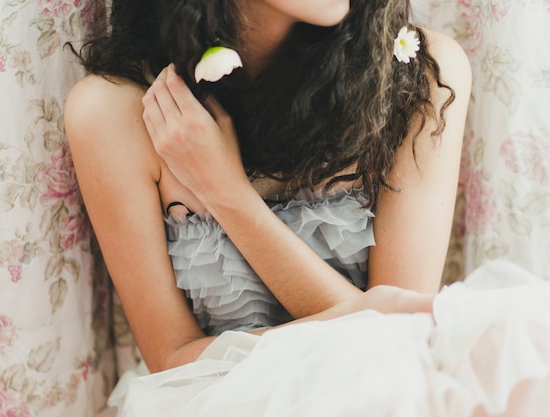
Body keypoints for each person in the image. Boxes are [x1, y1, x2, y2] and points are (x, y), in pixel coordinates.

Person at [64, 1, 550, 416]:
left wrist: (228, 195)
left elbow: (401, 332)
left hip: (387, 390)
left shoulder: (418, 76)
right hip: (220, 403)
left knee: (522, 333)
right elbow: (172, 359)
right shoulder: (114, 112)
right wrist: (359, 312)